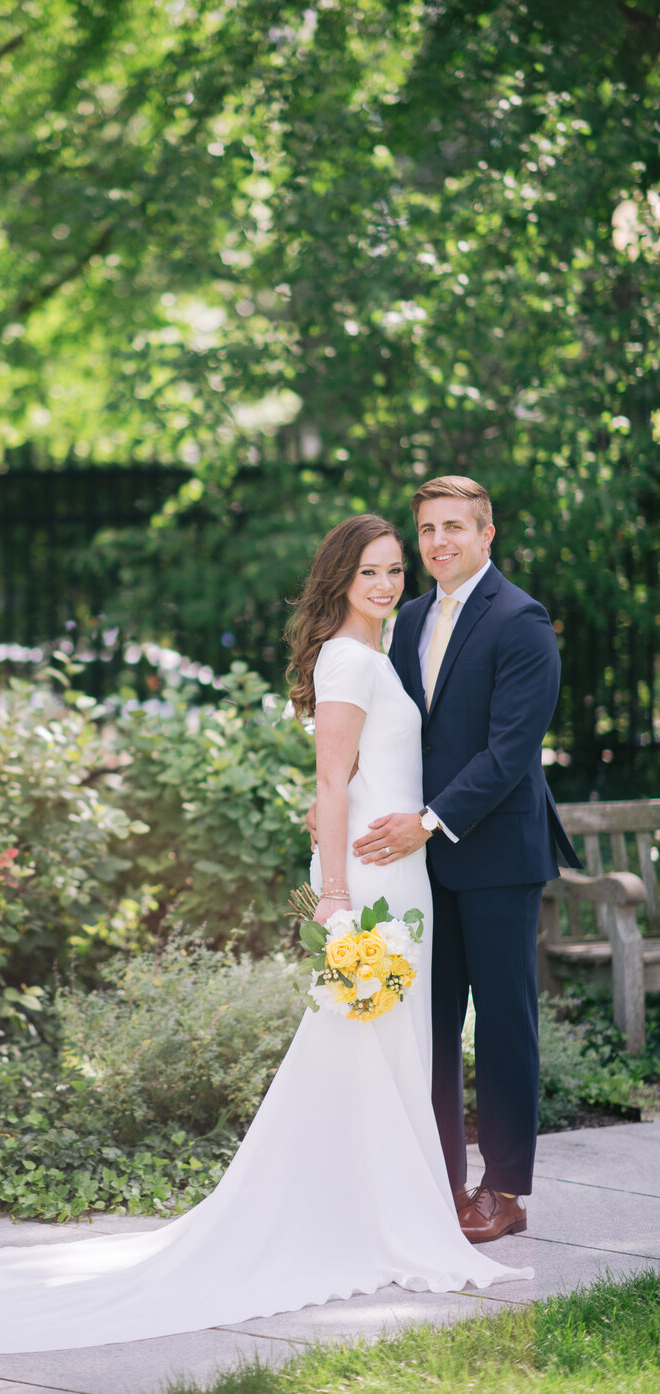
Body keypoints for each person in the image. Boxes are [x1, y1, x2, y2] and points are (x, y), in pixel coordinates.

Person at [0, 515, 530, 1358]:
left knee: (387, 1053)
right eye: (372, 574)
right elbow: (327, 784)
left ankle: (387, 1209)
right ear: (340, 581)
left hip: (406, 875)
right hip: (373, 879)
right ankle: (370, 1218)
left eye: (395, 572)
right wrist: (338, 902)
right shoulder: (350, 659)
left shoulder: (379, 654)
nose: (389, 586)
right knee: (360, 1049)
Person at [346, 477, 579, 1245]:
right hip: (419, 865)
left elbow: (511, 752)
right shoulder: (408, 617)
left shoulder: (521, 620)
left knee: (505, 1023)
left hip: (498, 853)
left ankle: (505, 1191)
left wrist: (428, 822)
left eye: (454, 527)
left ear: (486, 535)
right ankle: (441, 1179)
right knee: (431, 1024)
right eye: (428, 530)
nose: (439, 541)